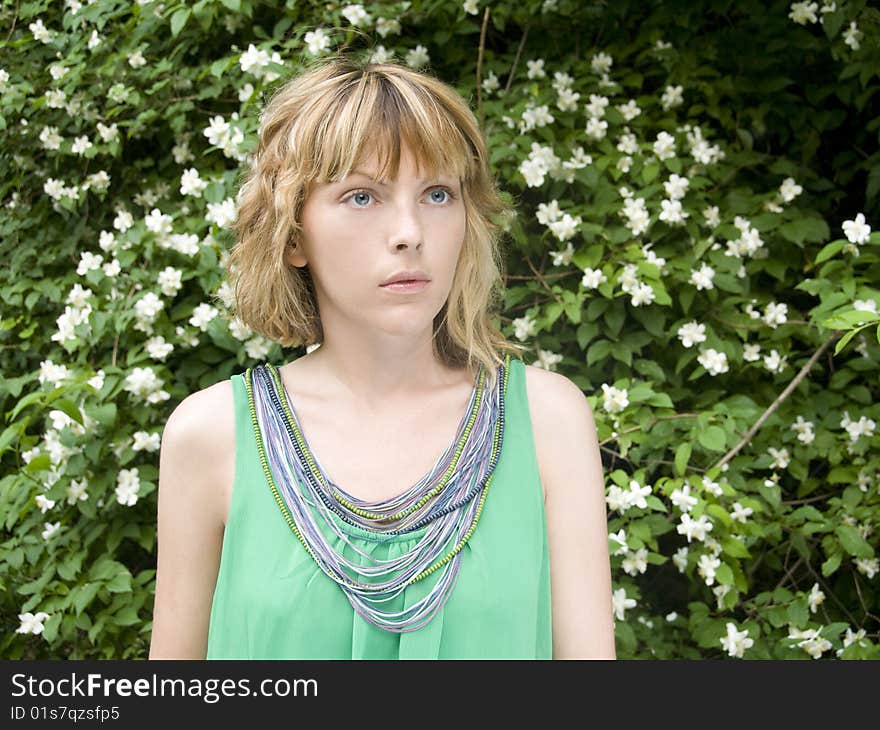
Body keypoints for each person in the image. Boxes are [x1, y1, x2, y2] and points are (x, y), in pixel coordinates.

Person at [148, 55, 615, 660]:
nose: (409, 231)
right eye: (362, 196)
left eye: (438, 194)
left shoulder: (548, 423)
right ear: (293, 235)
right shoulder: (211, 437)